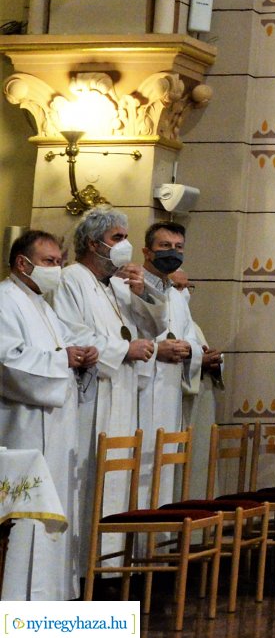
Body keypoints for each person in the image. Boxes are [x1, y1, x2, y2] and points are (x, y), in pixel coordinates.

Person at [52, 206, 161, 587]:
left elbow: (154, 324)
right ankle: (87, 573)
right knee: (90, 486)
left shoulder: (115, 286)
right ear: (92, 242)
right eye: (117, 238)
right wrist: (123, 351)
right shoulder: (71, 280)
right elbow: (71, 335)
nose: (124, 245)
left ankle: (111, 569)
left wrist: (143, 288)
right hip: (93, 399)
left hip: (121, 396)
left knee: (115, 487)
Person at [0, 230, 92, 599]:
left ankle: (49, 600)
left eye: (59, 262)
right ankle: (18, 602)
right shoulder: (5, 300)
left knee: (51, 519)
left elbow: (63, 352)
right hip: (22, 428)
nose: (57, 269)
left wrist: (82, 357)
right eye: (49, 262)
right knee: (26, 523)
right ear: (23, 263)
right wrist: (61, 359)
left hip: (55, 429)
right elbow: (7, 361)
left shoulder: (42, 303)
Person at [136, 221, 220, 498]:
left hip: (171, 392)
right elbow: (129, 336)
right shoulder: (130, 287)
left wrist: (192, 352)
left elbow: (190, 339)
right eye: (165, 246)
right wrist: (161, 348)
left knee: (166, 466)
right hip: (141, 390)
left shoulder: (176, 295)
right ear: (147, 251)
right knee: (139, 466)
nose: (172, 252)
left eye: (178, 247)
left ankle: (160, 538)